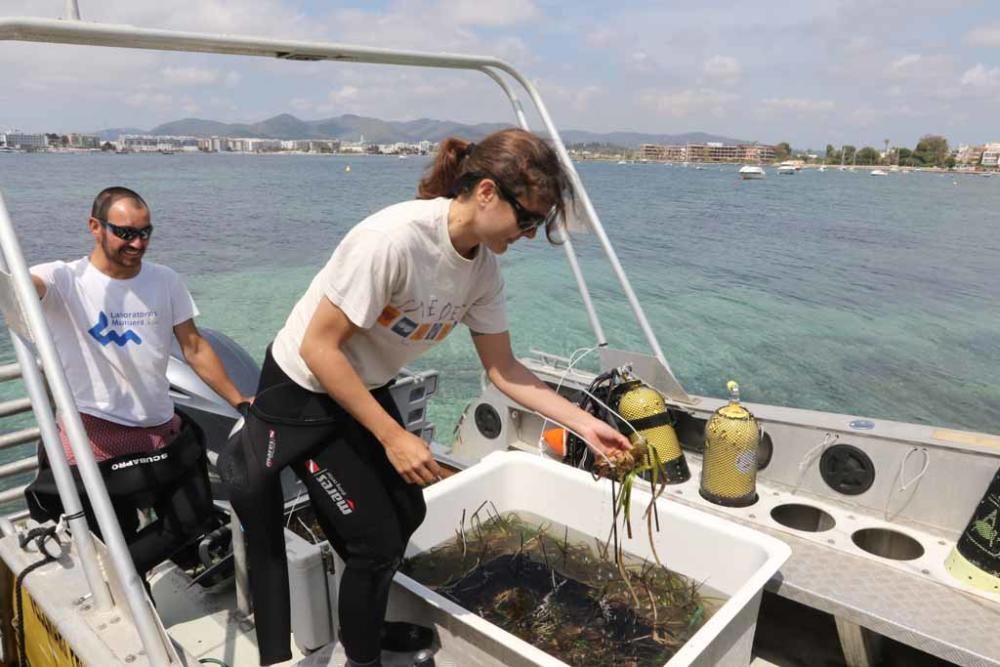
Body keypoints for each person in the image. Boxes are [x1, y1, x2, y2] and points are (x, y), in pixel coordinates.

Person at [219, 128, 632, 666]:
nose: (530, 234)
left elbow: (504, 369)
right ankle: (361, 657)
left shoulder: (481, 271)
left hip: (360, 385)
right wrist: (392, 437)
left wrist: (584, 422)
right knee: (374, 543)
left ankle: (362, 621)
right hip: (304, 391)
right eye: (528, 218)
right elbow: (318, 348)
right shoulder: (392, 240)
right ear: (486, 192)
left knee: (405, 512)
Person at [24, 186, 252, 577]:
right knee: (116, 532)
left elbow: (194, 347)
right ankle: (130, 595)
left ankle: (123, 573)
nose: (137, 243)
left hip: (159, 427)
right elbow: (22, 289)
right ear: (95, 227)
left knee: (192, 516)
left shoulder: (164, 281)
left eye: (145, 232)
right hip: (96, 435)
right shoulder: (64, 279)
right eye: (125, 232)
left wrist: (239, 401)